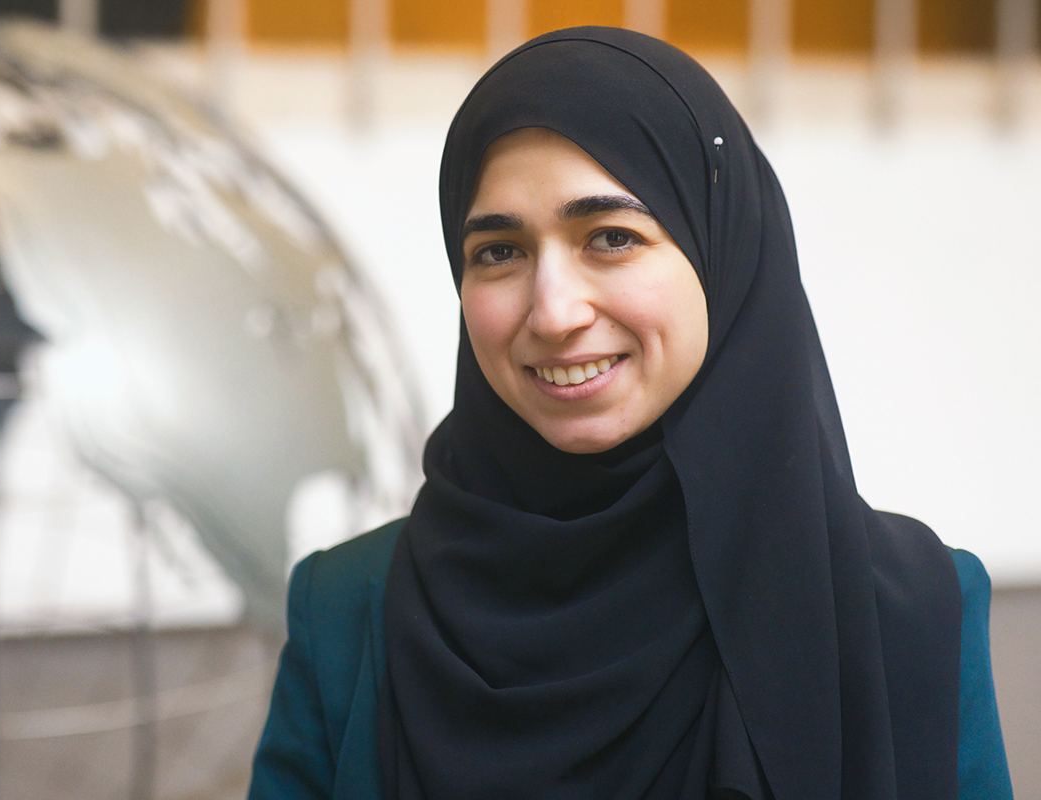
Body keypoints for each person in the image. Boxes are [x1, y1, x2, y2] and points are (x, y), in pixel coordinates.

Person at [248, 27, 1012, 800]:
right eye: (500, 251)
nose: (553, 312)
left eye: (611, 237)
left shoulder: (904, 612)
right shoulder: (347, 614)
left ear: (720, 252)